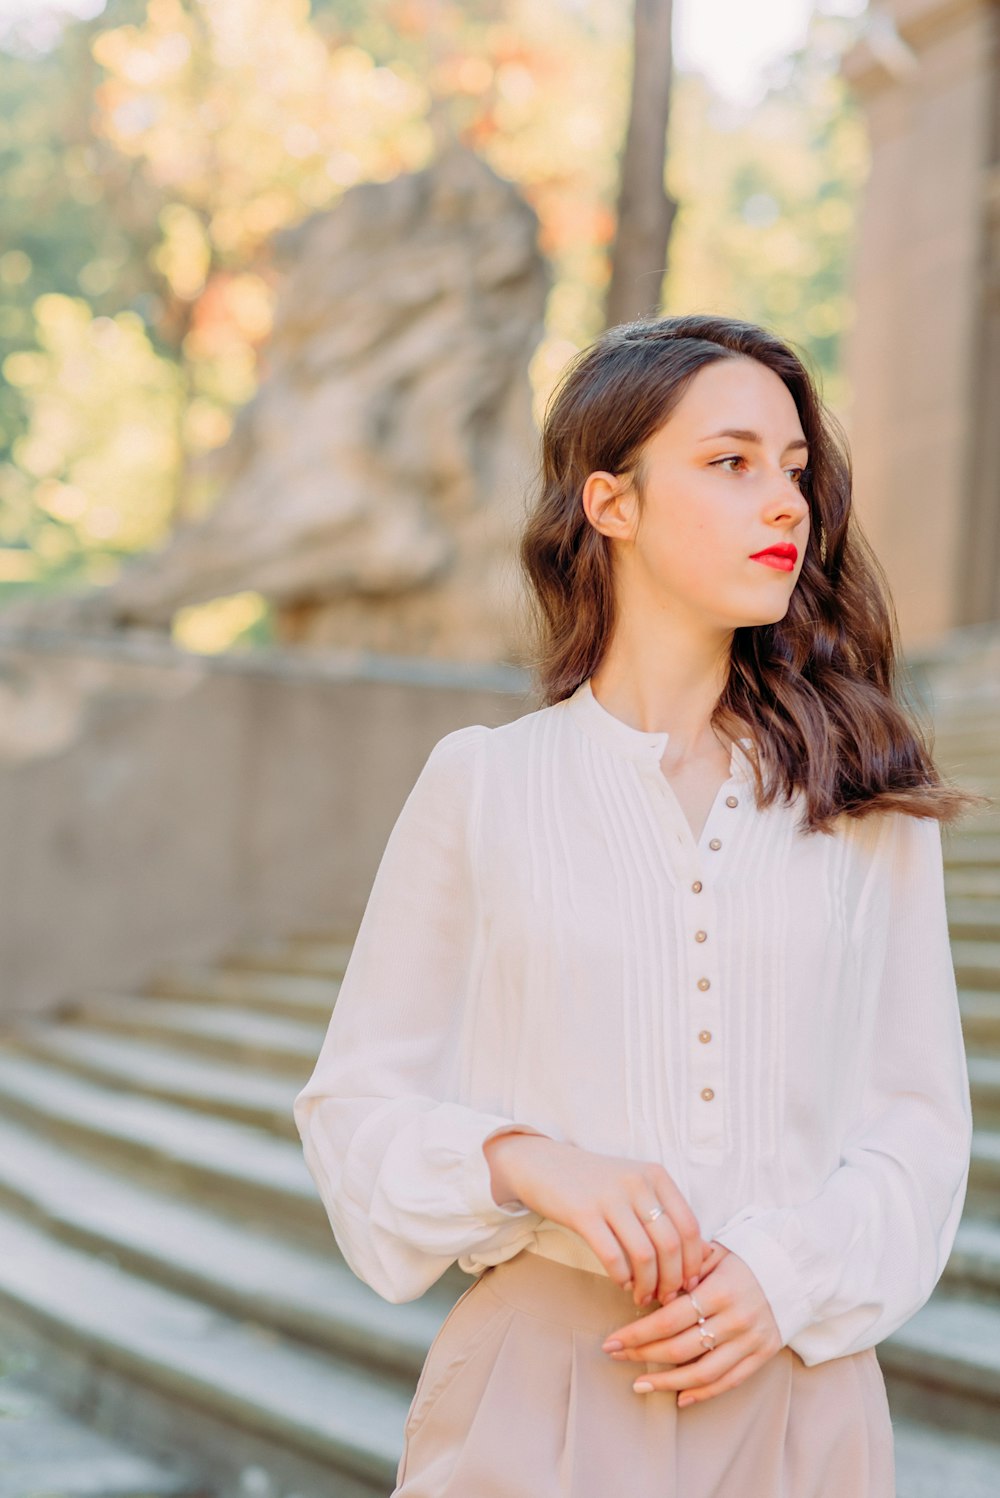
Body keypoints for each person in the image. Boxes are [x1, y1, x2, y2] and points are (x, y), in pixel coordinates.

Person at [293, 313, 982, 1497]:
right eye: (730, 463)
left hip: (797, 1398)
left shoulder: (859, 790)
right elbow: (354, 1109)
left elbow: (920, 1125)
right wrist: (525, 1159)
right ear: (610, 502)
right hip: (540, 1388)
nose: (785, 503)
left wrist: (783, 1272)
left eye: (794, 470)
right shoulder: (484, 781)